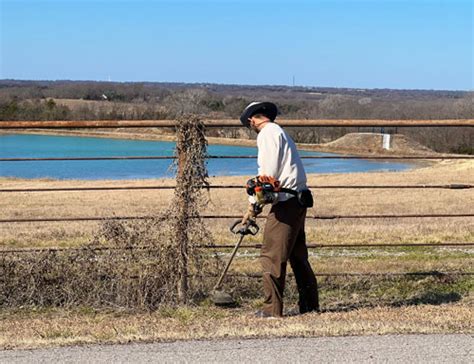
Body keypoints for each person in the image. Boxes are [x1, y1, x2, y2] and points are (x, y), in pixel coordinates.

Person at [240, 101, 319, 318]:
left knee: (272, 256)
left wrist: (252, 206)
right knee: (297, 255)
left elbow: (267, 178)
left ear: (252, 120)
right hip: (298, 199)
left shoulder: (266, 135)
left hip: (285, 202)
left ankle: (271, 309)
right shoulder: (280, 132)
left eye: (250, 124)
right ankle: (310, 305)